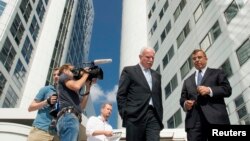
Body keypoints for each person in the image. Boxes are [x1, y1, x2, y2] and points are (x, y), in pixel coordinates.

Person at [179, 49, 232, 141]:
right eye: (194, 58)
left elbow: (227, 90)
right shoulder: (187, 81)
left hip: (216, 119)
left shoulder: (217, 73)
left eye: (199, 57)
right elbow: (182, 98)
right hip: (194, 123)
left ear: (206, 58)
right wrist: (185, 104)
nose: (197, 60)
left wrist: (209, 90)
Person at [117, 47, 164, 141]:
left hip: (153, 116)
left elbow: (158, 97)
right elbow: (121, 95)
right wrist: (125, 114)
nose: (151, 60)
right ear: (140, 57)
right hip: (135, 115)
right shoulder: (129, 71)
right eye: (148, 57)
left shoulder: (157, 76)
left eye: (152, 58)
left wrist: (160, 116)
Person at [56, 64, 93, 141]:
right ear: (65, 70)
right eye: (72, 70)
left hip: (72, 118)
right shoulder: (63, 76)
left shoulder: (72, 93)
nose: (74, 72)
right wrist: (86, 74)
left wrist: (88, 88)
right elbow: (77, 86)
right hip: (68, 117)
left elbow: (82, 106)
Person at [27, 68, 60, 141]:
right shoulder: (46, 89)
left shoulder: (66, 94)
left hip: (56, 136)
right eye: (54, 75)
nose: (56, 76)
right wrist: (46, 102)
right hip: (40, 131)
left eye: (59, 74)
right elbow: (30, 108)